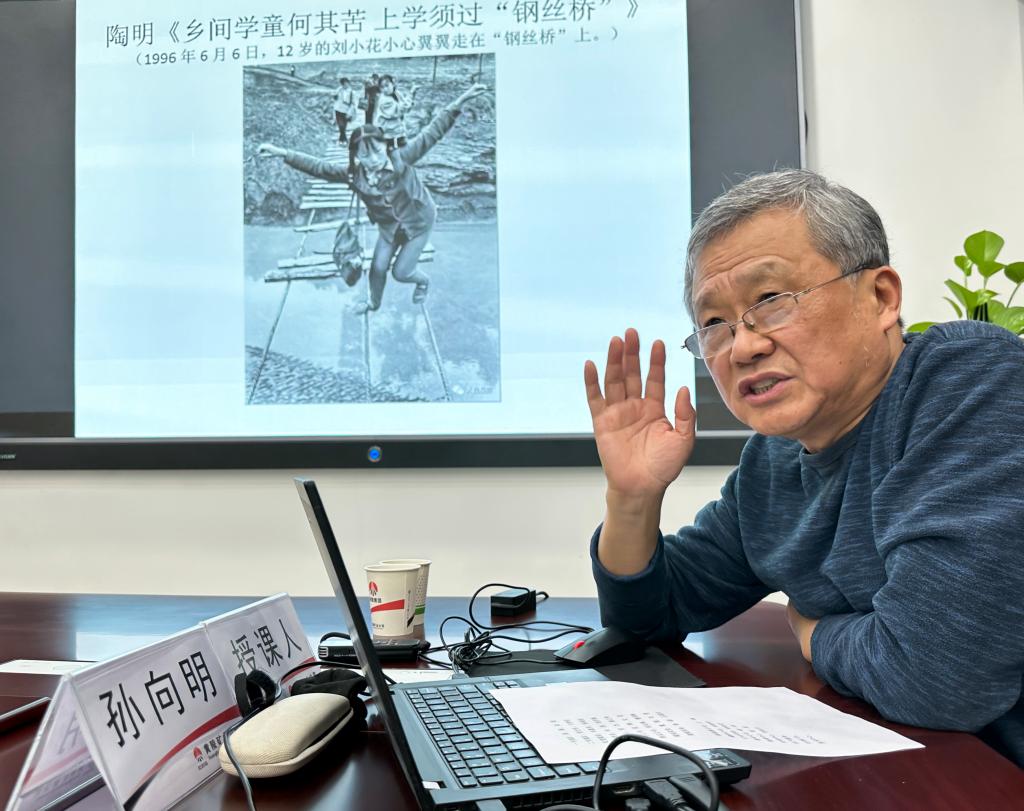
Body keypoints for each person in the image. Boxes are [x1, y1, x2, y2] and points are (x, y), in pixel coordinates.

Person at [584, 169, 1024, 766]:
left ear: (881, 298)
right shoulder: (774, 462)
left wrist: (814, 633)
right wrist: (632, 498)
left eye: (770, 301)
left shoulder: (973, 383)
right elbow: (648, 617)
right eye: (713, 324)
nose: (743, 346)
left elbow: (936, 679)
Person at [257, 84, 488, 313]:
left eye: (377, 151)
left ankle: (423, 281)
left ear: (386, 146)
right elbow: (319, 167)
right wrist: (282, 153)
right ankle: (373, 304)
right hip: (389, 228)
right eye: (365, 155)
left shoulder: (402, 158)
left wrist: (460, 101)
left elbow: (432, 133)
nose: (374, 160)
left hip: (419, 222)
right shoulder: (353, 174)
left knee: (401, 272)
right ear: (356, 155)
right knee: (377, 268)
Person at [374, 75, 419, 149]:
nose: (385, 89)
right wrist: (411, 94)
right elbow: (400, 110)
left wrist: (412, 94)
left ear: (393, 84)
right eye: (382, 87)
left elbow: (406, 108)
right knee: (388, 151)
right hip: (387, 134)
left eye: (387, 85)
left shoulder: (397, 94)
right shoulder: (384, 100)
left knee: (404, 149)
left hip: (399, 131)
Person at [332, 77, 357, 144]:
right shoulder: (339, 90)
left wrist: (349, 112)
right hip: (338, 109)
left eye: (346, 83)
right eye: (343, 84)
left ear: (348, 83)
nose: (345, 85)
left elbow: (353, 103)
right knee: (340, 125)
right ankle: (343, 139)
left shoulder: (352, 92)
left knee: (344, 126)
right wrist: (338, 89)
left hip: (346, 110)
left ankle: (342, 139)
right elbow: (334, 96)